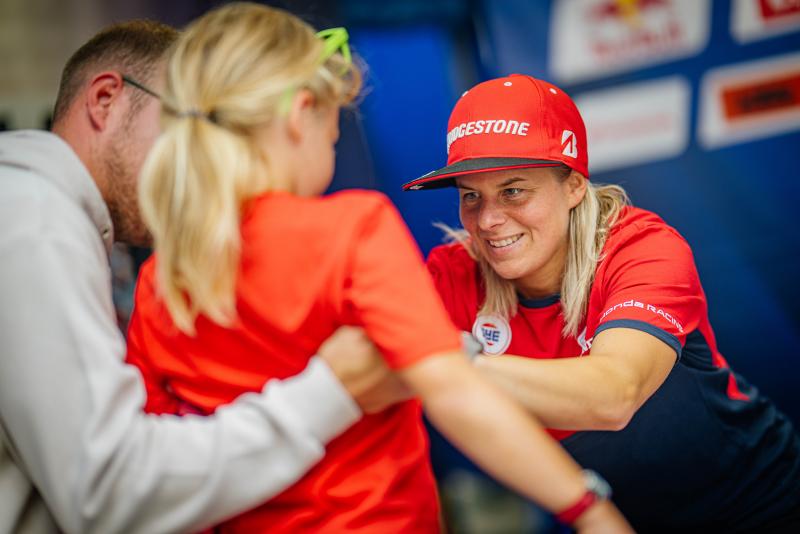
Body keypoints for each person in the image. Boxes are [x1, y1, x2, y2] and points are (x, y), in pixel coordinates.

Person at [125, 4, 631, 533]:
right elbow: (455, 393)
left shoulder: (160, 279)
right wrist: (589, 509)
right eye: (332, 129)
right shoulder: (352, 228)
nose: (332, 142)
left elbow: (159, 459)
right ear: (300, 114)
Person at [0, 20, 407, 534]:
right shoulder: (35, 223)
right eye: (182, 126)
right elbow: (107, 490)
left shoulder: (52, 222)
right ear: (105, 101)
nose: (199, 161)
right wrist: (331, 391)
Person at [404, 74, 800, 532]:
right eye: (471, 196)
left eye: (513, 190)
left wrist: (445, 362)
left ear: (573, 186)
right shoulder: (452, 277)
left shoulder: (642, 248)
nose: (488, 219)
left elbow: (614, 396)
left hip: (760, 503)